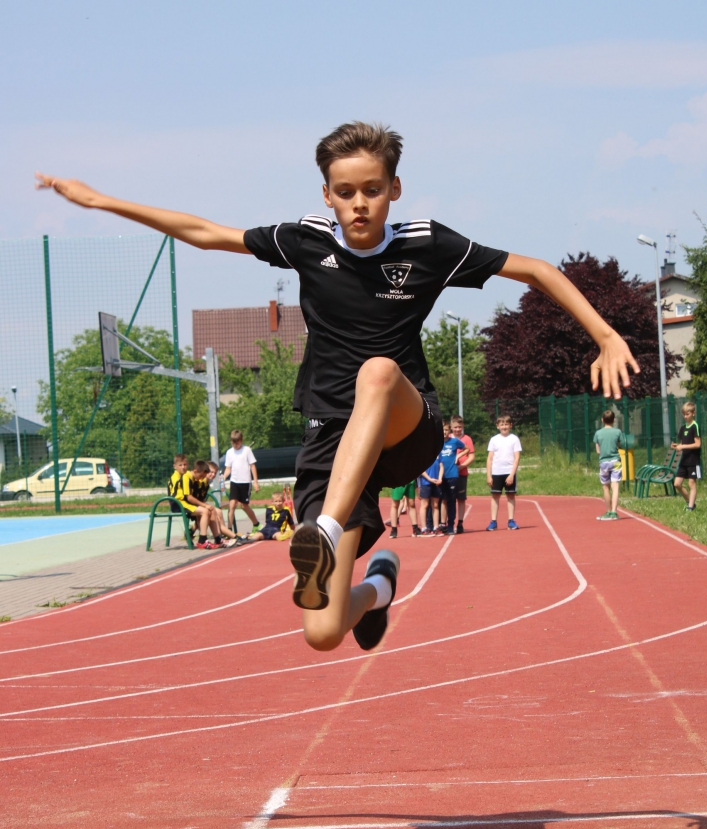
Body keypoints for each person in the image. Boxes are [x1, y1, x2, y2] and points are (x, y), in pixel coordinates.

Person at [37, 121, 639, 653]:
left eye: (372, 190)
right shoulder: (307, 241)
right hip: (331, 438)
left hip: (407, 422)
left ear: (393, 190)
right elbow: (203, 231)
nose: (358, 204)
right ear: (326, 195)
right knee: (322, 633)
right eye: (345, 192)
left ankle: (323, 532)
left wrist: (606, 336)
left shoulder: (425, 246)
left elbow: (533, 268)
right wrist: (97, 200)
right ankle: (380, 584)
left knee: (376, 371)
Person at [180, 460, 238, 549]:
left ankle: (220, 537)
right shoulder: (197, 479)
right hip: (185, 504)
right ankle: (230, 536)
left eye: (215, 473)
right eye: (211, 472)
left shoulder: (203, 481)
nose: (213, 475)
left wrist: (206, 505)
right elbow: (191, 497)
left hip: (194, 504)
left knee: (215, 511)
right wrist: (205, 505)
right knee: (210, 511)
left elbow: (201, 498)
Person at [486, 415, 522, 530]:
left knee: (510, 495)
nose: (504, 427)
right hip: (496, 472)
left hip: (509, 472)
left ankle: (511, 520)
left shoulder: (514, 439)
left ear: (511, 425)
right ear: (497, 426)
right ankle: (493, 522)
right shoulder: (494, 439)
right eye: (502, 424)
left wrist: (512, 474)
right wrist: (489, 475)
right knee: (495, 495)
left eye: (506, 424)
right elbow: (490, 458)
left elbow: (517, 458)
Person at [223, 430, 260, 533]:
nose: (235, 444)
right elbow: (228, 468)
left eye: (237, 442)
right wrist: (223, 477)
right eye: (233, 442)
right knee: (232, 505)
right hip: (234, 482)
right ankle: (229, 530)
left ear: (241, 440)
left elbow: (252, 466)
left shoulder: (247, 450)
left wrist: (255, 482)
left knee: (244, 506)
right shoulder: (229, 452)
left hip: (245, 482)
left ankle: (256, 524)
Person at [593, 409, 626, 521]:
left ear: (602, 420)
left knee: (605, 487)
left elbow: (598, 451)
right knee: (615, 486)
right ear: (614, 420)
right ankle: (614, 512)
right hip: (616, 461)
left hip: (604, 462)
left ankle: (608, 511)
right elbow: (620, 445)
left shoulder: (598, 433)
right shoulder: (617, 432)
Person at [671, 401, 701, 511]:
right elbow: (683, 443)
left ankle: (690, 507)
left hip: (693, 460)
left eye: (687, 414)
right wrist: (677, 446)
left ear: (693, 413)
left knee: (691, 483)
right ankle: (690, 501)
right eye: (684, 414)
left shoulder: (695, 426)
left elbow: (698, 444)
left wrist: (682, 447)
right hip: (684, 460)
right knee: (677, 484)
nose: (685, 416)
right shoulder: (683, 428)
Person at [438, 421, 466, 534]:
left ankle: (450, 525)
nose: (444, 432)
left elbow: (467, 449)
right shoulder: (436, 443)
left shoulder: (454, 441)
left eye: (446, 430)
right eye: (442, 430)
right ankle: (441, 524)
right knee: (441, 500)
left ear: (449, 431)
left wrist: (458, 455)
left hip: (452, 475)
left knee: (451, 501)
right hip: (439, 476)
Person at [451, 415, 475, 533]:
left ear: (463, 426)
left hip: (461, 473)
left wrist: (461, 466)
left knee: (461, 499)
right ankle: (446, 522)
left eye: (459, 427)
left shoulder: (467, 439)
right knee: (447, 499)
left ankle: (460, 523)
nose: (457, 429)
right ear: (451, 427)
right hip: (448, 474)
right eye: (455, 427)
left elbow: (471, 456)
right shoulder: (447, 437)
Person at [418, 458, 443, 536]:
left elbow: (441, 466)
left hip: (436, 482)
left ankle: (436, 527)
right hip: (426, 482)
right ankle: (424, 528)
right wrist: (429, 479)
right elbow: (420, 469)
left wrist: (440, 478)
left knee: (435, 505)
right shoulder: (425, 454)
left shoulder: (439, 453)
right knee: (424, 505)